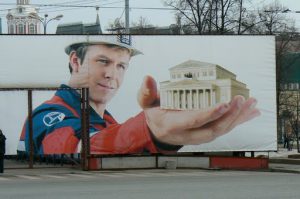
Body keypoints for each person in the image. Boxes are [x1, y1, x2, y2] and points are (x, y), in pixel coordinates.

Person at [18, 35, 260, 155]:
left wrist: (161, 139)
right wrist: (148, 130)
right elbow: (78, 148)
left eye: (121, 66)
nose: (112, 74)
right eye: (103, 61)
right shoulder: (48, 115)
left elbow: (109, 142)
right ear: (75, 61)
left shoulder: (106, 121)